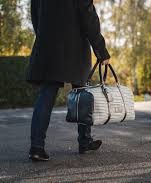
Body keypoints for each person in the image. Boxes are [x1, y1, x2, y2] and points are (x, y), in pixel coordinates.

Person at [26, 0, 110, 161]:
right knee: (82, 95)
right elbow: (88, 17)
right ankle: (85, 141)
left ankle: (36, 147)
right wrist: (101, 51)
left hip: (48, 46)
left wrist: (44, 38)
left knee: (46, 94)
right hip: (74, 47)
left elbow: (35, 16)